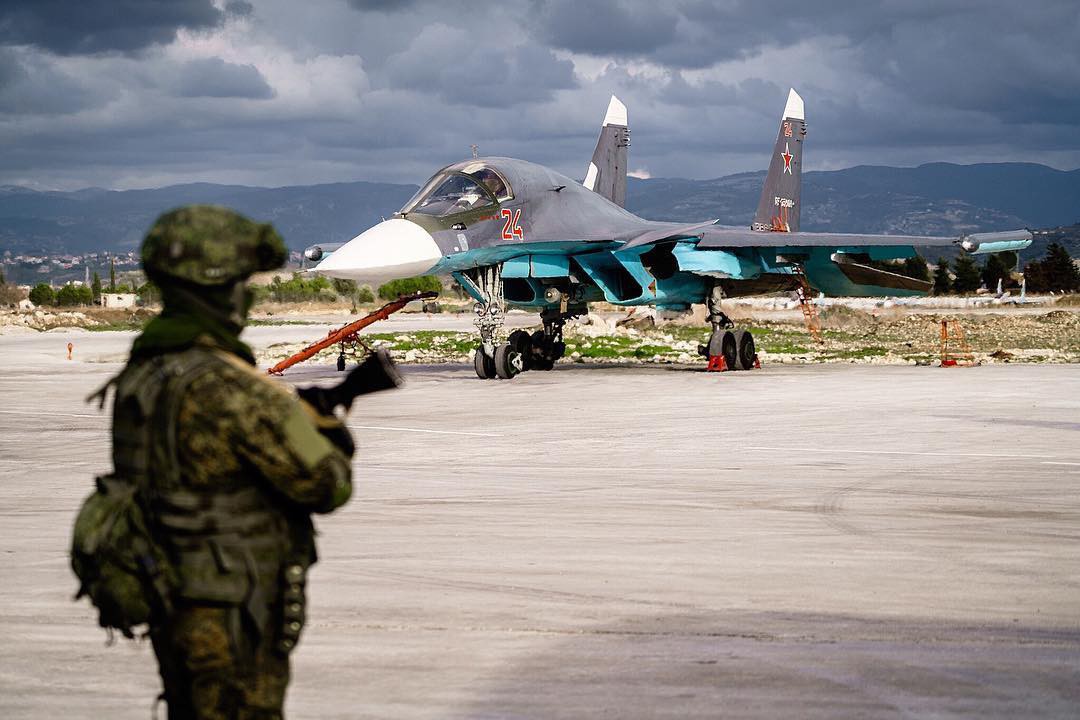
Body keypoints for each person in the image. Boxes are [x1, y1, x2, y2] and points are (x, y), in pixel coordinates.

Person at [113, 206, 354, 719]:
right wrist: (324, 428)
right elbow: (327, 483)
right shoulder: (228, 387)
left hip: (170, 594)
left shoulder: (143, 372)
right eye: (241, 283)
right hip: (231, 611)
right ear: (217, 288)